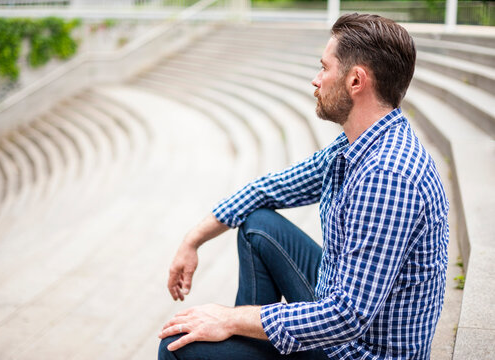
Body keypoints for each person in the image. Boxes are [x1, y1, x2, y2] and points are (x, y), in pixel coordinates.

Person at [158, 13, 449, 360]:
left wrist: (231, 319)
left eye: (324, 68)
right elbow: (270, 188)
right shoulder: (357, 144)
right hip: (341, 311)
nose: (316, 80)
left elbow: (346, 317)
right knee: (258, 226)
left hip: (358, 351)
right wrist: (193, 240)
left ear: (356, 81)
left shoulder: (387, 176)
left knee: (177, 347)